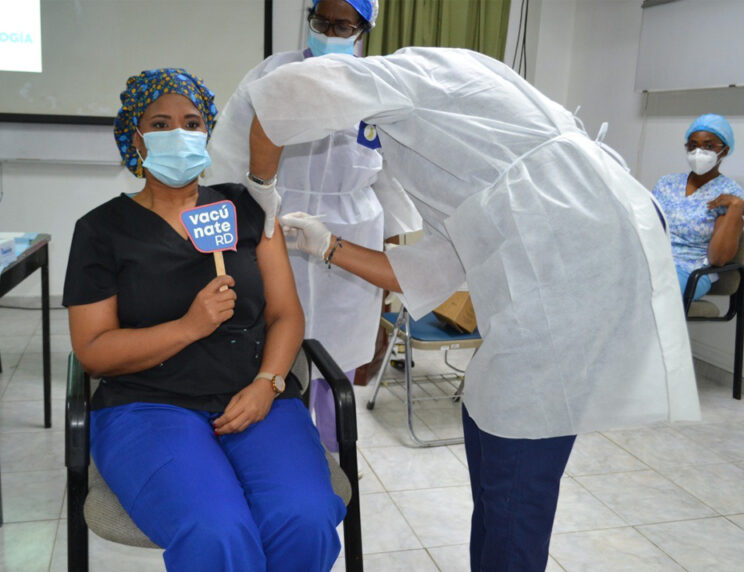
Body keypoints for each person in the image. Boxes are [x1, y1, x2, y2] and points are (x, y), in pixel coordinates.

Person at [242, 47, 701, 571]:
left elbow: (283, 93)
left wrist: (261, 189)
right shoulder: (437, 149)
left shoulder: (418, 72)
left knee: (519, 460)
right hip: (558, 252)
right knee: (490, 419)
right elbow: (430, 269)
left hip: (577, 253)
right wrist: (329, 246)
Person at [62, 68, 345, 572]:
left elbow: (285, 315)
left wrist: (268, 382)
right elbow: (93, 350)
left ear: (207, 132)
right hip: (147, 408)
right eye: (161, 123)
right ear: (137, 139)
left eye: (192, 123)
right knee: (217, 531)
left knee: (306, 517)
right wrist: (190, 326)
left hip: (257, 399)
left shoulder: (247, 208)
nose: (180, 134)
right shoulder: (101, 231)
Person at [205, 0, 421, 453]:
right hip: (282, 219)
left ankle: (334, 447)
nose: (328, 30)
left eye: (342, 24)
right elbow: (230, 151)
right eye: (321, 20)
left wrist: (394, 252)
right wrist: (243, 217)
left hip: (355, 230)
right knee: (277, 337)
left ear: (365, 28)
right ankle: (282, 444)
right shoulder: (274, 75)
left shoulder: (381, 86)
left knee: (341, 349)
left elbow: (395, 175)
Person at [651, 114, 744, 301]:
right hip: (651, 262)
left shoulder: (733, 196)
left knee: (651, 298)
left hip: (691, 272)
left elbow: (718, 259)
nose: (699, 151)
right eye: (693, 145)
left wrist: (736, 207)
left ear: (725, 150)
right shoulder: (666, 183)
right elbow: (647, 228)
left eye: (709, 146)